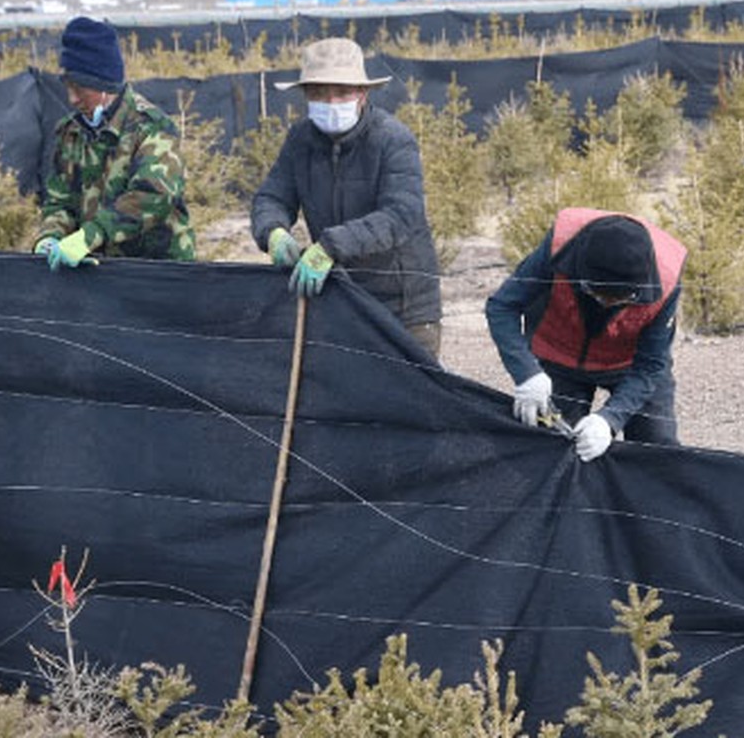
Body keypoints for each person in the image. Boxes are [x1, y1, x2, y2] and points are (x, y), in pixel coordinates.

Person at [250, 37, 442, 359]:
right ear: (306, 96)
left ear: (362, 94)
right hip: (339, 297)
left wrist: (330, 246)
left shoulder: (392, 139)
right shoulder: (301, 140)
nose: (331, 101)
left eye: (341, 92)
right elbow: (272, 195)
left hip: (403, 303)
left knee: (409, 399)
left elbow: (401, 214)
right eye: (319, 94)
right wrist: (273, 232)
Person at [485, 208, 687, 462]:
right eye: (597, 294)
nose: (605, 305)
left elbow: (650, 365)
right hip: (559, 357)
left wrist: (609, 419)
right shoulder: (560, 247)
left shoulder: (667, 278)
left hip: (630, 365)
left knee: (659, 452)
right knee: (553, 453)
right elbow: (502, 306)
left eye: (618, 300)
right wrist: (527, 374)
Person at [34, 16, 194, 270]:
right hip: (93, 270)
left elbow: (153, 196)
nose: (72, 99)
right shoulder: (70, 132)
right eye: (68, 87)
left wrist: (91, 235)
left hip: (156, 270)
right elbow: (59, 200)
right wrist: (50, 236)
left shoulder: (152, 128)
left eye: (81, 89)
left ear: (104, 86)